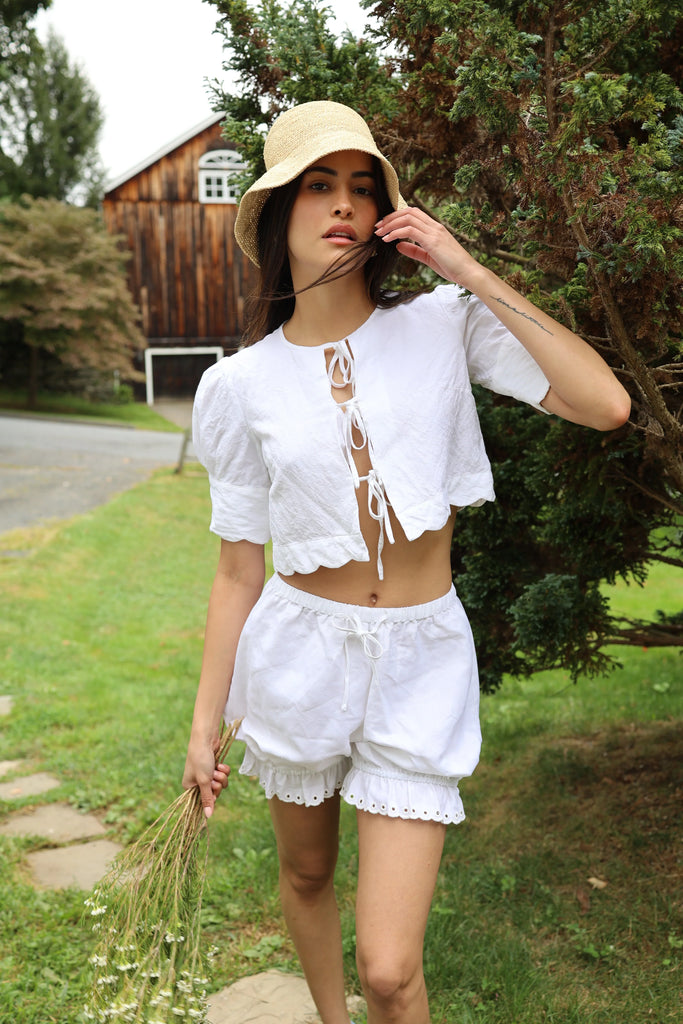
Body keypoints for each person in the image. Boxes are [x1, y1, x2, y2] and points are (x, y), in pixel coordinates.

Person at [183, 101, 630, 1024]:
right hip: (298, 651)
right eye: (318, 185)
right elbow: (238, 570)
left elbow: (605, 404)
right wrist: (205, 723)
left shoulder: (442, 325)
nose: (342, 204)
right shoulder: (236, 386)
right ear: (277, 212)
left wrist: (464, 266)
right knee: (305, 873)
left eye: (361, 186)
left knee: (390, 967)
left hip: (420, 658)